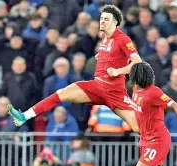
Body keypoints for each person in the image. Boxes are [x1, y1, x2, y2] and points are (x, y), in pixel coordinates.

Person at [8, 5, 142, 133]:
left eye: (106, 19)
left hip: (113, 90)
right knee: (61, 93)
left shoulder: (123, 39)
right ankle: (24, 116)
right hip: (97, 86)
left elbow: (137, 63)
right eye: (101, 18)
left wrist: (118, 71)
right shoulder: (104, 38)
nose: (102, 22)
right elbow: (111, 55)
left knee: (138, 127)